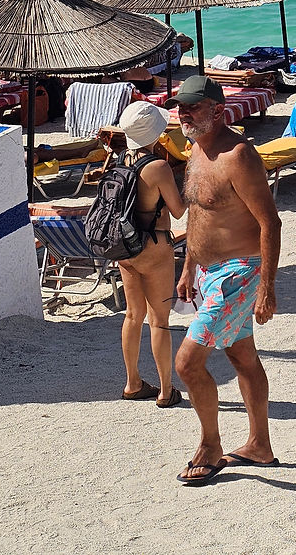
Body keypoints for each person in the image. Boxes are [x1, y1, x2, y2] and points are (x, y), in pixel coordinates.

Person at [173, 76, 282, 486]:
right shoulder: (194, 149)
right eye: (181, 106)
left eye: (193, 107)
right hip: (207, 272)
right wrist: (188, 266)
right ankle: (259, 445)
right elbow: (199, 213)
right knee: (242, 357)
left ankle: (210, 446)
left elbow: (270, 222)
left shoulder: (238, 155)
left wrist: (266, 288)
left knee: (186, 362)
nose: (184, 113)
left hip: (240, 273)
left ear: (218, 110)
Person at [115, 101, 186, 409]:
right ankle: (166, 390)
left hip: (125, 247)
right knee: (159, 321)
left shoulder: (119, 159)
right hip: (154, 247)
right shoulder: (157, 166)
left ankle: (132, 383)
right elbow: (178, 210)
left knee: (133, 315)